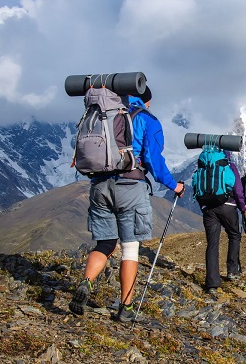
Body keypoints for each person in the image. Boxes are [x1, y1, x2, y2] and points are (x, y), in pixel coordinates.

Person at [69, 88, 185, 322]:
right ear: (146, 99)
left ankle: (86, 282)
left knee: (105, 243)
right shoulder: (145, 118)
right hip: (130, 188)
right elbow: (153, 159)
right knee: (130, 248)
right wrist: (174, 186)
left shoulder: (100, 113)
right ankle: (126, 307)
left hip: (99, 186)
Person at [199, 150, 246, 294]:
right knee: (234, 235)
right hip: (228, 206)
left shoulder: (204, 166)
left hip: (208, 208)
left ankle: (212, 283)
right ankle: (232, 271)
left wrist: (203, 206)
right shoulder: (229, 166)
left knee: (212, 244)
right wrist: (242, 206)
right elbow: (237, 189)